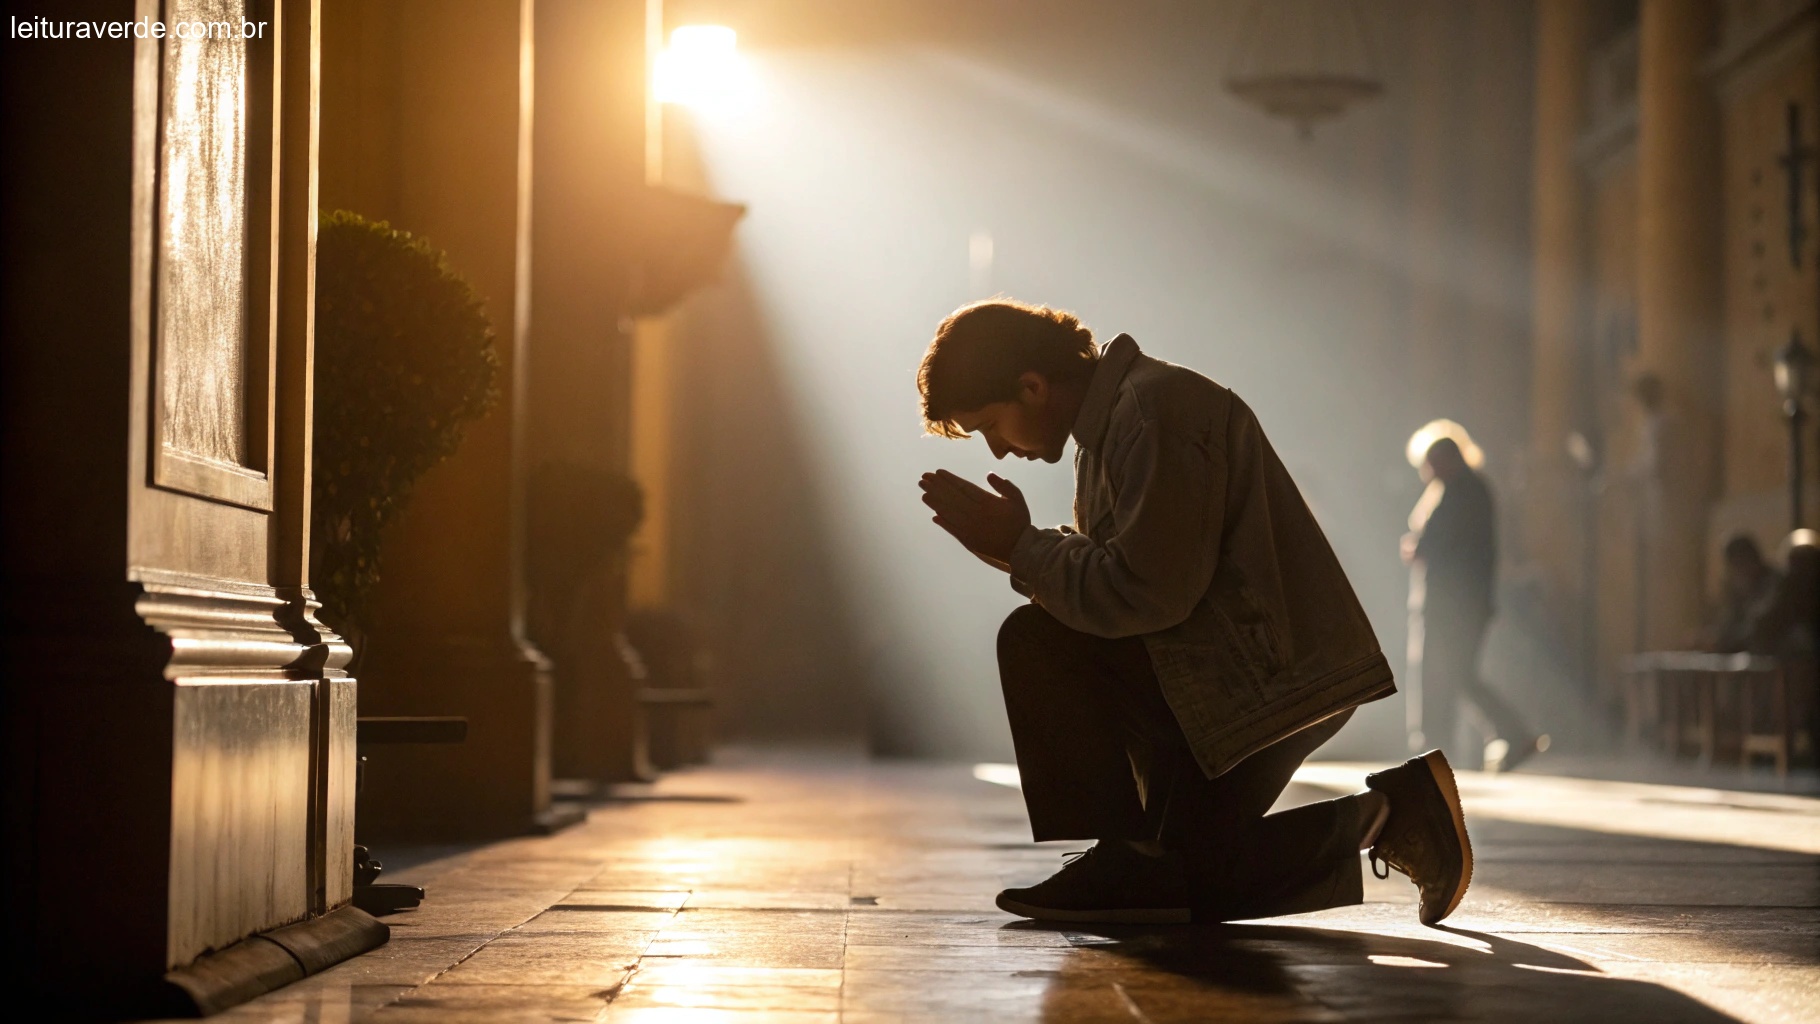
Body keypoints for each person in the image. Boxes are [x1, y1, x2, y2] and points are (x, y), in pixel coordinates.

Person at [915, 299, 1472, 927]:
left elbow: (1149, 592)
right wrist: (1021, 549)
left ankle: (1126, 857)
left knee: (1037, 637)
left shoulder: (1154, 414)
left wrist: (1024, 547)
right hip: (1221, 677)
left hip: (1262, 681)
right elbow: (1126, 574)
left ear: (1032, 386)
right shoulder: (1108, 434)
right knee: (1181, 880)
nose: (995, 449)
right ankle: (1392, 814)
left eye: (990, 424)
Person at [1400, 423, 1544, 773]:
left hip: (1454, 605)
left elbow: (1443, 545)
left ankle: (1437, 748)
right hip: (1461, 603)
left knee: (1444, 673)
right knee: (1456, 674)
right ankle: (1503, 736)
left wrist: (1418, 548)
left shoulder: (1462, 493)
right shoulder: (1467, 490)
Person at [1707, 533, 1781, 654]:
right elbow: (1730, 624)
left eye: (1738, 563)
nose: (1734, 572)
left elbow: (1760, 629)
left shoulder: (1774, 584)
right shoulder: (1738, 589)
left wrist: (1721, 643)